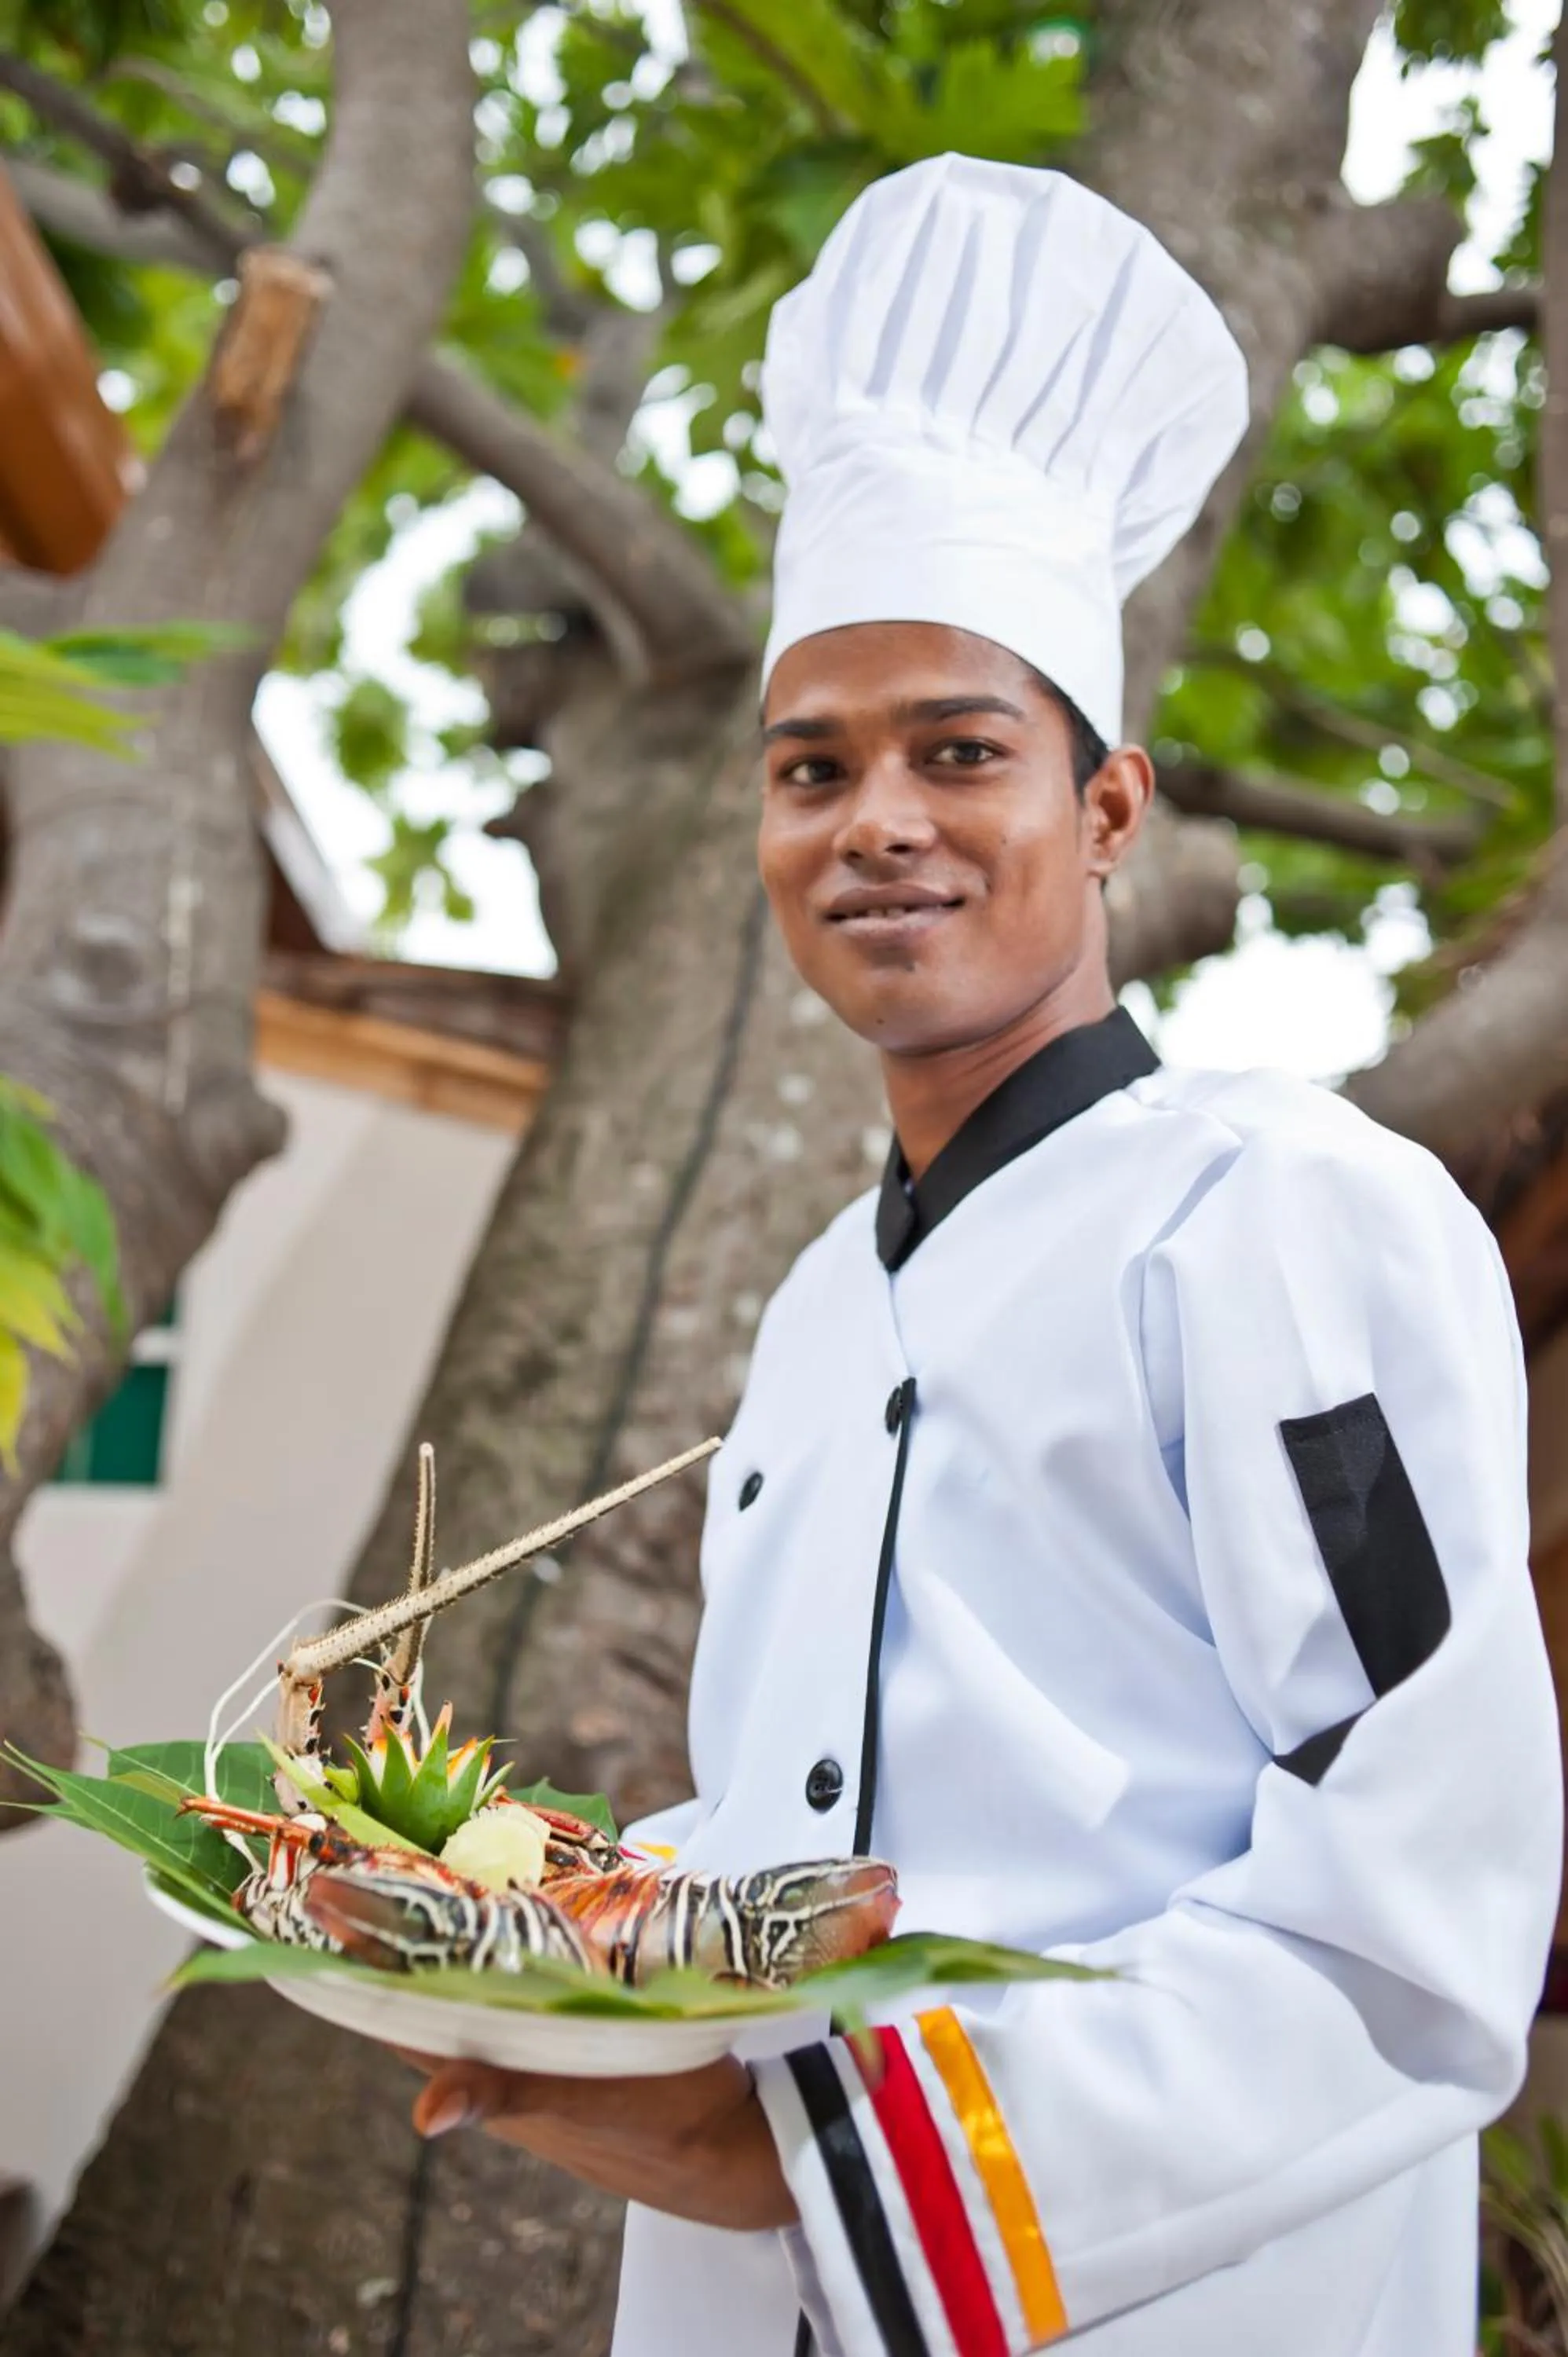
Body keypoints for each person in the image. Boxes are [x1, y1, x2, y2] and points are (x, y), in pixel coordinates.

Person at [406, 156, 1563, 2356]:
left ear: (1107, 809)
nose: (876, 824)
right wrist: (536, 1912)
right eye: (808, 767)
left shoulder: (1288, 1219)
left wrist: (825, 2162)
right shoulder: (827, 1298)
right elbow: (840, 1818)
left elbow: (1415, 1900)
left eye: (959, 753)